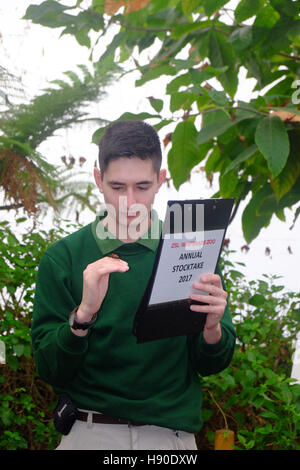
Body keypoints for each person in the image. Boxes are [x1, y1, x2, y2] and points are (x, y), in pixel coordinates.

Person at [31, 120, 236, 451]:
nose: (129, 201)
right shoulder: (64, 257)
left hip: (171, 438)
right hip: (90, 430)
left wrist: (212, 329)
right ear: (99, 180)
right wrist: (83, 316)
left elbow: (211, 363)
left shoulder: (191, 245)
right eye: (117, 187)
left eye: (142, 187)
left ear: (160, 180)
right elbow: (49, 369)